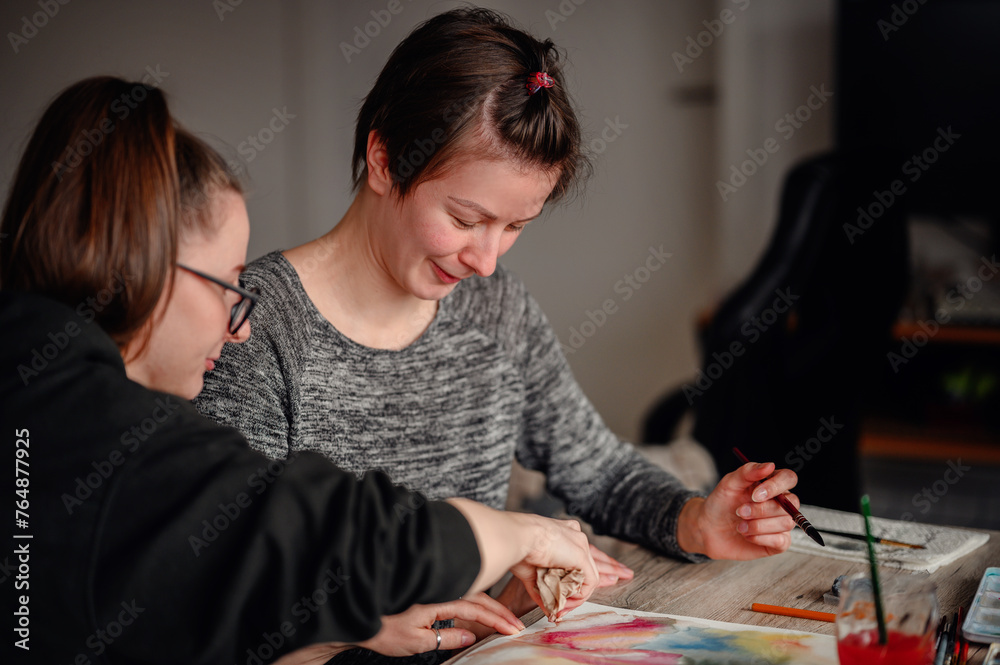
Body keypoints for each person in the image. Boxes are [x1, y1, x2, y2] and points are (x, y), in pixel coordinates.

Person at [194, 7, 801, 657]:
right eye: (464, 218)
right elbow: (224, 575)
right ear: (383, 158)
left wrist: (696, 519)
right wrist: (358, 625)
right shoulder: (252, 330)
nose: (486, 261)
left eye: (514, 227)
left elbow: (597, 470)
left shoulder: (495, 308)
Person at [0, 76, 603, 665]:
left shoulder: (38, 377)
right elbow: (288, 525)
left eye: (514, 227)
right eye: (226, 283)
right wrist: (514, 535)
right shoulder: (86, 427)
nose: (240, 323)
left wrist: (338, 627)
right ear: (144, 266)